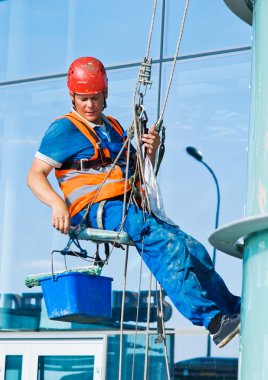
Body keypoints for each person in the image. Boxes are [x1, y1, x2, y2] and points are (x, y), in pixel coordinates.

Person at [27, 56, 241, 348]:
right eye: (83, 99)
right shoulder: (64, 129)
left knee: (192, 249)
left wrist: (148, 154)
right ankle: (213, 321)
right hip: (98, 208)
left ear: (105, 95)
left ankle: (231, 309)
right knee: (163, 245)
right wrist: (56, 204)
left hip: (130, 206)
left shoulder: (113, 127)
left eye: (95, 98)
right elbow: (35, 175)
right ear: (72, 97)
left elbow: (135, 173)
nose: (89, 105)